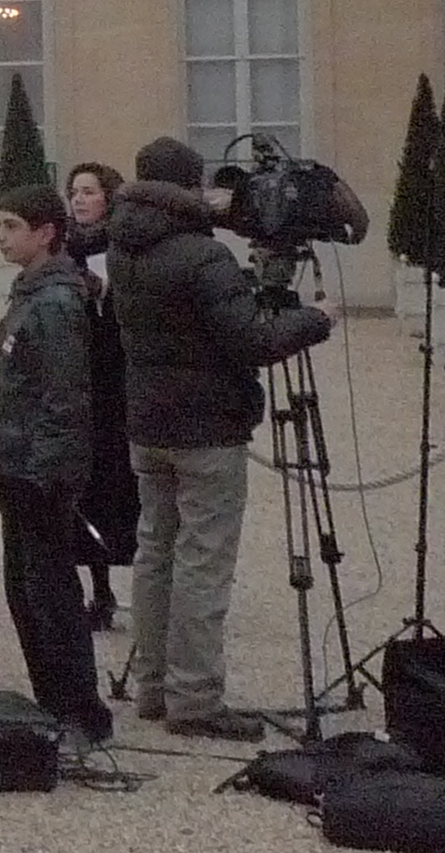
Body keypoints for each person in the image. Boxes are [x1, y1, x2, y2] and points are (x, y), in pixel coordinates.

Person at [104, 136, 333, 741]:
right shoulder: (202, 257)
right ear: (191, 186)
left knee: (155, 554)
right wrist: (315, 320)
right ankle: (196, 698)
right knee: (202, 564)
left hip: (148, 422)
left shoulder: (123, 245)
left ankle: (154, 686)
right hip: (207, 426)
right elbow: (253, 341)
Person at [0, 188, 117, 757]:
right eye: (0, 224)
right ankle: (52, 701)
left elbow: (65, 396)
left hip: (41, 473)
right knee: (26, 592)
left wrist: (45, 472)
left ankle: (78, 710)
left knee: (52, 595)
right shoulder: (31, 292)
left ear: (45, 234)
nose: (0, 236)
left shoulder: (57, 302)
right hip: (18, 466)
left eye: (12, 225)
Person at [60, 161, 138, 631]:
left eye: (89, 191)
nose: (79, 199)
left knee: (120, 484)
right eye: (75, 191)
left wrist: (105, 291)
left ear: (108, 197)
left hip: (118, 381)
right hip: (78, 379)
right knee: (81, 488)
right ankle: (97, 589)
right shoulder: (62, 246)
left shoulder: (126, 245)